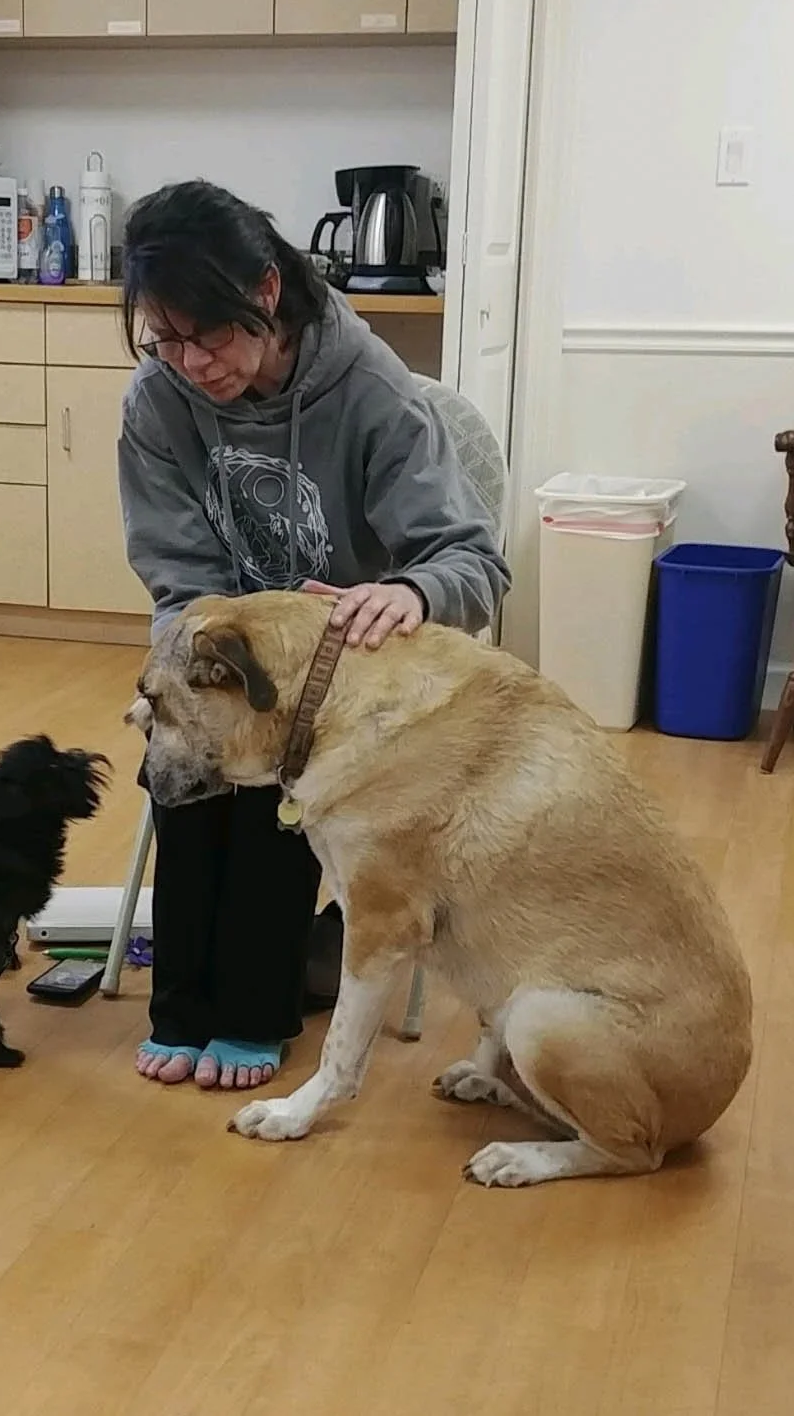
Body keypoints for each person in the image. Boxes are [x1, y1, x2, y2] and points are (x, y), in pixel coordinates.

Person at [117, 180, 510, 1091]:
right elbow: (178, 580)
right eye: (164, 339)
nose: (188, 362)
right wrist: (181, 681)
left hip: (346, 673)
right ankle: (180, 1005)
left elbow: (469, 563)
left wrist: (411, 591)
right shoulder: (156, 401)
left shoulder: (371, 389)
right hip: (228, 652)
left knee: (272, 775)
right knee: (181, 762)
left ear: (262, 293)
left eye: (206, 334)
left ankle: (256, 1010)